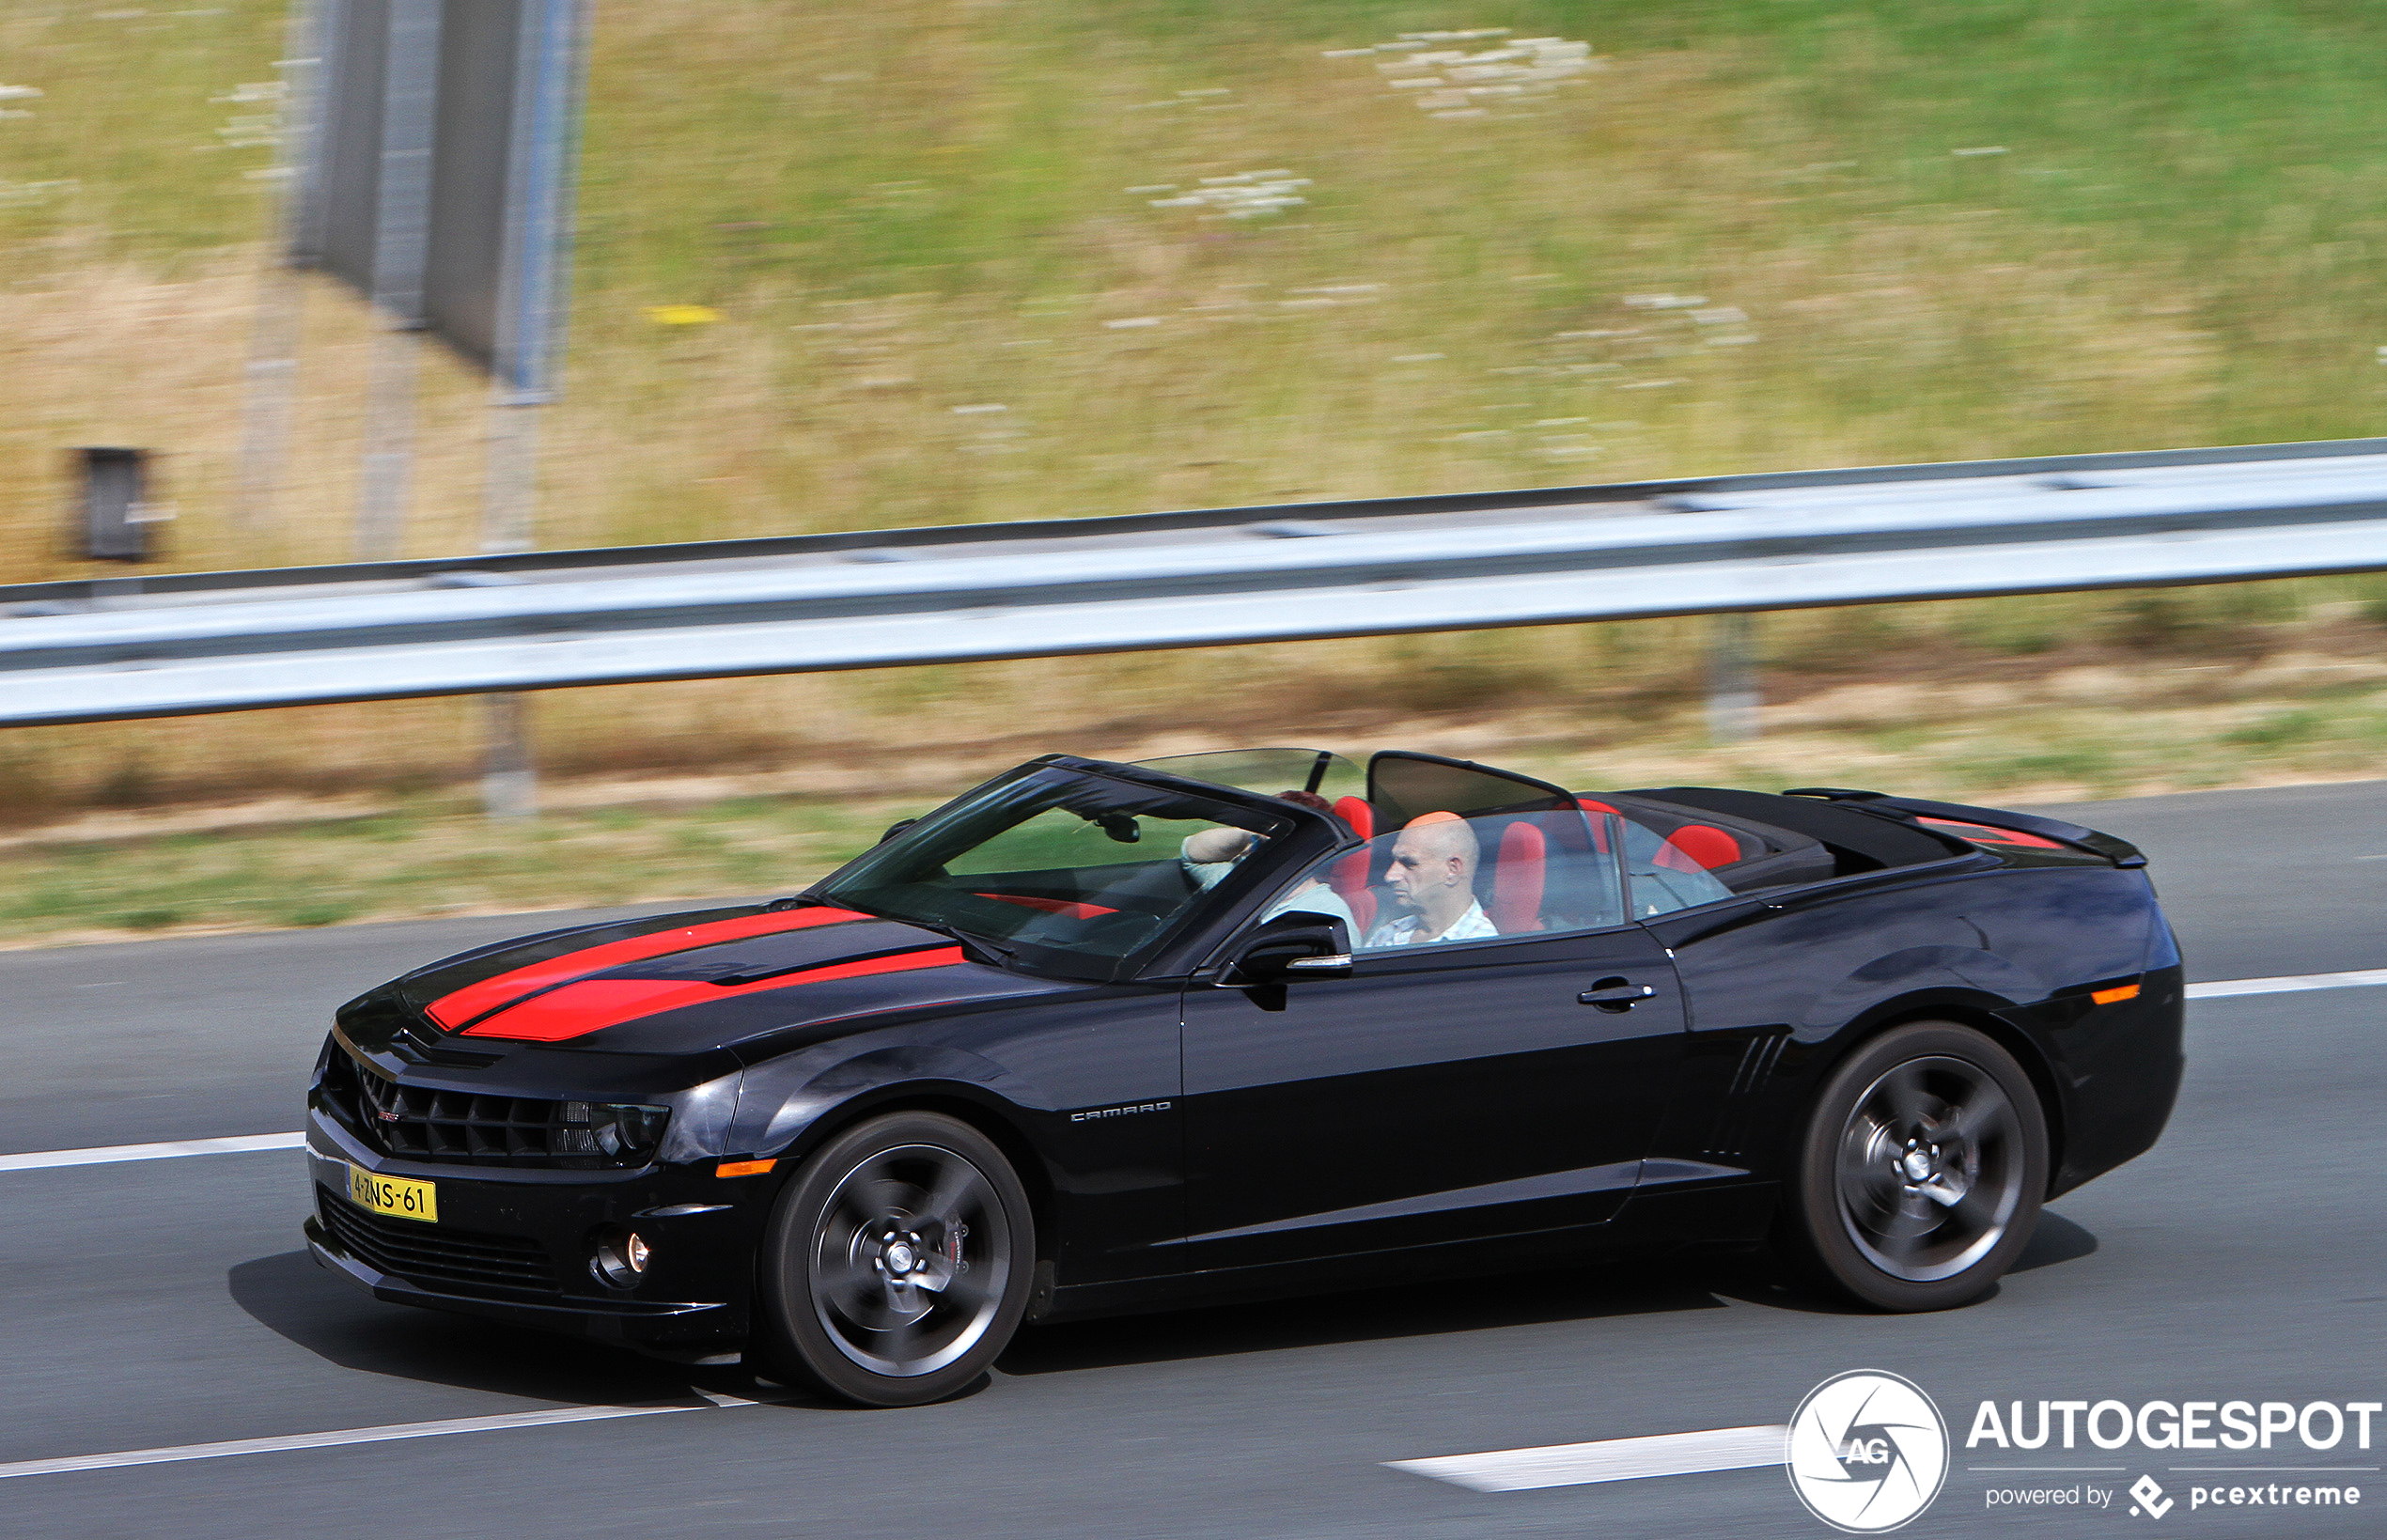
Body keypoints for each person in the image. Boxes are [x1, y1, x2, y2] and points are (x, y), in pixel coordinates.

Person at [1179, 789, 1358, 931]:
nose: (1251, 848)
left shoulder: (1326, 910)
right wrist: (1247, 835)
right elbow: (1192, 854)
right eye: (1257, 837)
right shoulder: (1243, 879)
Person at [1365, 812, 1497, 947]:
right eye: (1394, 862)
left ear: (1452, 870)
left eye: (1409, 863)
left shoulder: (1481, 948)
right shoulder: (1389, 934)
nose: (1390, 876)